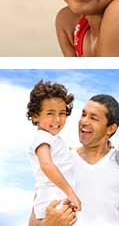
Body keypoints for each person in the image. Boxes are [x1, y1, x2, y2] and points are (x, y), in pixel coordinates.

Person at [32, 94, 119, 226]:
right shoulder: (60, 161)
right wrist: (47, 224)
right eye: (83, 115)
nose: (84, 121)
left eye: (93, 118)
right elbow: (33, 220)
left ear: (111, 128)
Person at [27, 80, 81, 222]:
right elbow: (47, 165)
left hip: (57, 197)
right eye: (50, 113)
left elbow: (67, 154)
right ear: (35, 116)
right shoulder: (41, 138)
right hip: (52, 199)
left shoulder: (54, 139)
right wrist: (70, 193)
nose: (57, 119)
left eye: (62, 113)